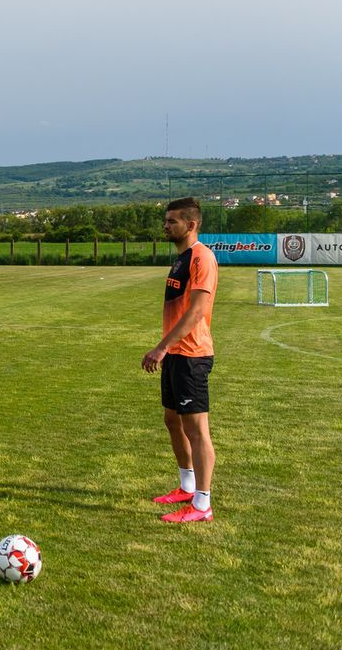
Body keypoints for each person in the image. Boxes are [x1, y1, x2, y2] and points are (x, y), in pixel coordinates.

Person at [140, 197, 218, 523]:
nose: (166, 225)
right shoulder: (181, 259)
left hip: (192, 354)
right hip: (176, 353)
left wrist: (161, 347)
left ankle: (202, 504)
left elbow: (197, 311)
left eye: (172, 221)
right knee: (172, 420)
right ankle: (187, 486)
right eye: (166, 220)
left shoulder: (202, 257)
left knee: (196, 428)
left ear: (191, 224)